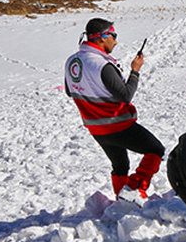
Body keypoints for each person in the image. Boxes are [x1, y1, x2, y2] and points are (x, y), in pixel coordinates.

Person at [65, 18, 165, 200]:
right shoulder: (102, 64)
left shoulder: (72, 61)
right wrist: (135, 71)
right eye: (113, 35)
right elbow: (125, 96)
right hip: (117, 124)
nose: (116, 41)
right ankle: (135, 190)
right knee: (155, 149)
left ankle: (121, 200)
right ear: (102, 37)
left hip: (95, 127)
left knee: (120, 164)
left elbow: (69, 91)